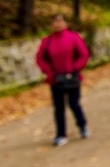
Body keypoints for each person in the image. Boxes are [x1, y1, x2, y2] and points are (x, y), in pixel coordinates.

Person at [35, 14, 90, 147]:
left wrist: (75, 68)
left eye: (60, 21)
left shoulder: (74, 38)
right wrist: (49, 72)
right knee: (59, 108)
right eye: (54, 22)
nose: (57, 24)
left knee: (74, 104)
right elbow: (40, 58)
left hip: (72, 78)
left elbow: (84, 54)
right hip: (56, 79)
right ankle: (61, 134)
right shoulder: (47, 41)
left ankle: (82, 125)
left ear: (65, 23)